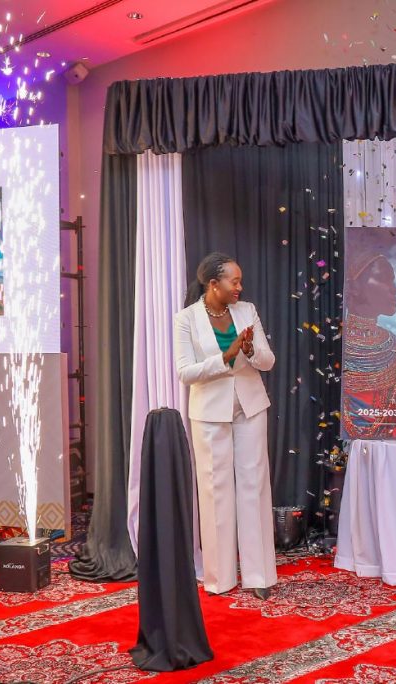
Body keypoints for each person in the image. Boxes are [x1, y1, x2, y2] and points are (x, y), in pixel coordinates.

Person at [174, 252, 277, 600]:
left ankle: (259, 575)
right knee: (215, 490)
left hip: (250, 405)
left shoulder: (247, 311)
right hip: (208, 412)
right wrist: (226, 357)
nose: (239, 287)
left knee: (254, 485)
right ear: (213, 283)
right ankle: (220, 578)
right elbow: (185, 372)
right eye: (234, 281)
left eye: (240, 281)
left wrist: (249, 350)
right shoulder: (186, 319)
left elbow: (268, 361)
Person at [341, 252, 396, 439]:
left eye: (392, 281)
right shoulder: (338, 342)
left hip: (388, 450)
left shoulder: (395, 349)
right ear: (354, 287)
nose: (394, 289)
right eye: (383, 279)